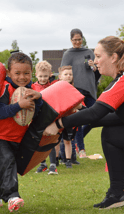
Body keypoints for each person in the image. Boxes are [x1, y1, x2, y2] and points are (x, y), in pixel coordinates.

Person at [43, 36, 124, 209]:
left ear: (114, 57)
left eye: (98, 56)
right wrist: (80, 115)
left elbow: (95, 113)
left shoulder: (121, 82)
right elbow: (115, 117)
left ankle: (118, 192)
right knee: (112, 131)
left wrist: (58, 125)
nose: (95, 62)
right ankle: (118, 192)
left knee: (110, 135)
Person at [0, 52, 43, 212]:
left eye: (26, 73)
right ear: (8, 73)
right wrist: (19, 105)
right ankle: (12, 196)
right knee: (8, 159)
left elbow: (36, 112)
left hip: (18, 137)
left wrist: (38, 99)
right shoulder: (5, 87)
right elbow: (1, 112)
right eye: (17, 73)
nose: (22, 77)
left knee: (7, 165)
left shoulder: (31, 90)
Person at [61, 28, 99, 158]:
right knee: (78, 119)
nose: (77, 42)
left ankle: (77, 141)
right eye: (74, 40)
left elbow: (96, 70)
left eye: (79, 39)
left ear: (82, 39)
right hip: (75, 89)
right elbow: (63, 72)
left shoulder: (89, 52)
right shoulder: (68, 54)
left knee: (95, 117)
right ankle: (81, 149)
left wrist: (93, 66)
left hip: (90, 89)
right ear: (71, 40)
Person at [33, 60, 58, 175]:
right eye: (41, 76)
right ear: (36, 75)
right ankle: (42, 164)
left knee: (50, 140)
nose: (43, 79)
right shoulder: (33, 87)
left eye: (45, 76)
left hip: (50, 117)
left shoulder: (54, 86)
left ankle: (53, 165)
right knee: (39, 141)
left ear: (50, 75)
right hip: (37, 118)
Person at [57, 65, 80, 168]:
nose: (68, 76)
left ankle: (68, 161)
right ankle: (56, 160)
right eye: (66, 74)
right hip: (58, 118)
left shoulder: (74, 89)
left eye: (70, 74)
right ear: (60, 76)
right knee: (56, 140)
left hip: (70, 118)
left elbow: (79, 104)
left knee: (68, 140)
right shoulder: (56, 88)